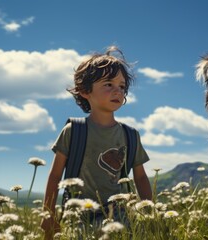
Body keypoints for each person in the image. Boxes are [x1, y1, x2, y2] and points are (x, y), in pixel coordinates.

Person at [41, 46, 152, 239]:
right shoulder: (74, 130)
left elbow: (141, 178)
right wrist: (49, 216)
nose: (117, 90)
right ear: (85, 91)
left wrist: (150, 213)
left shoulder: (131, 135)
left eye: (122, 86)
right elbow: (55, 176)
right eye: (108, 84)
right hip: (79, 215)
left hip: (121, 215)